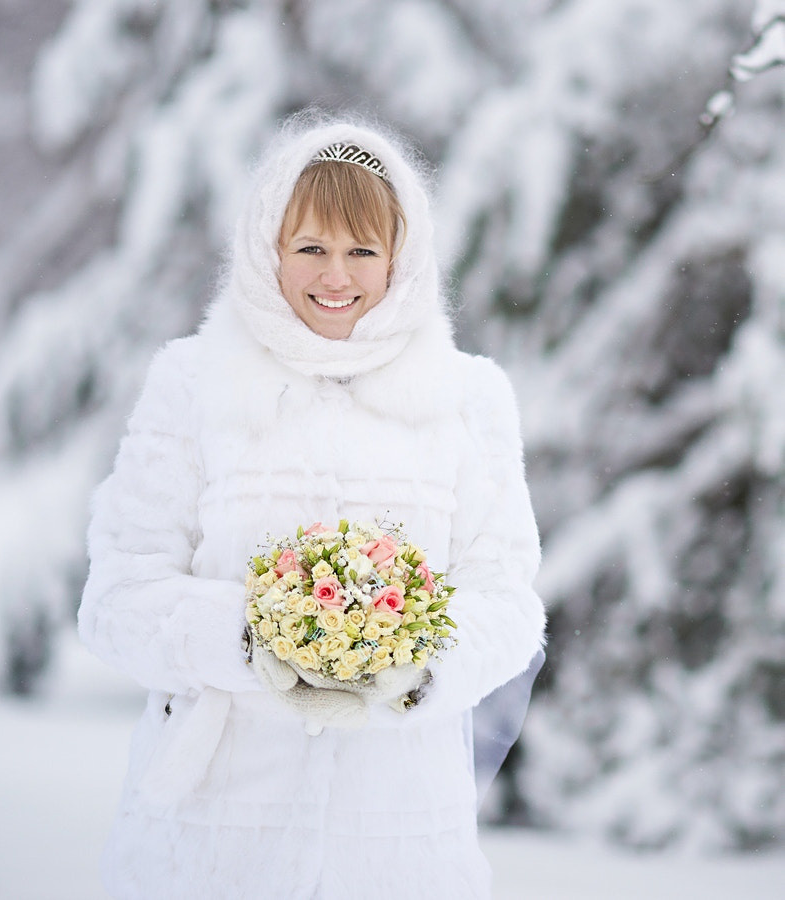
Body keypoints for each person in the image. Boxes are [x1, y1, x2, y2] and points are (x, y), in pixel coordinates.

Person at [79, 116, 546, 899]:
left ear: (403, 258)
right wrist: (259, 634)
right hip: (211, 834)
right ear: (270, 249)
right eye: (311, 248)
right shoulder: (193, 383)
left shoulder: (470, 398)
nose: (337, 277)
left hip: (399, 834)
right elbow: (115, 599)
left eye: (363, 250)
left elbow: (507, 603)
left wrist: (410, 657)